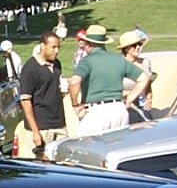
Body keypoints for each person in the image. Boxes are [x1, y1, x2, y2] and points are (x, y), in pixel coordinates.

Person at [68, 25, 150, 137]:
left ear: (88, 44)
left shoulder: (87, 62)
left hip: (96, 111)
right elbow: (144, 78)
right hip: (119, 110)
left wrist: (75, 104)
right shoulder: (118, 60)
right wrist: (130, 99)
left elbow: (74, 82)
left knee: (87, 150)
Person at [18, 31, 67, 159]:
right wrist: (35, 132)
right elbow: (25, 101)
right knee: (43, 166)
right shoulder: (30, 68)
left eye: (58, 47)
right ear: (42, 46)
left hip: (59, 124)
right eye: (53, 47)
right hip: (41, 127)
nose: (56, 51)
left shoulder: (57, 65)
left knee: (63, 165)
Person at [118, 30, 153, 120]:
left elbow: (148, 84)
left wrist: (149, 99)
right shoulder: (119, 65)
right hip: (126, 107)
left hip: (143, 106)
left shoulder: (145, 62)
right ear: (126, 49)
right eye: (134, 46)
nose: (138, 48)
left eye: (140, 45)